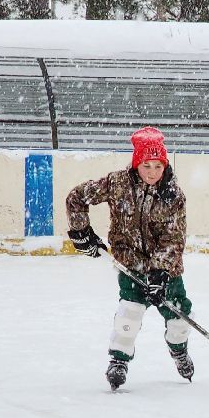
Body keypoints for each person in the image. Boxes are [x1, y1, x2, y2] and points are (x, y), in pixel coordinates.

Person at [64, 126, 192, 392]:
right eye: (147, 165)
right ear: (137, 164)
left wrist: (160, 274)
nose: (153, 172)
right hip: (130, 264)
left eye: (158, 166)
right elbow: (77, 197)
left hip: (167, 272)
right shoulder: (117, 183)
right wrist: (81, 232)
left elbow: (174, 238)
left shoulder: (174, 196)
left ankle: (179, 350)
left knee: (179, 317)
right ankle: (118, 361)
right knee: (129, 315)